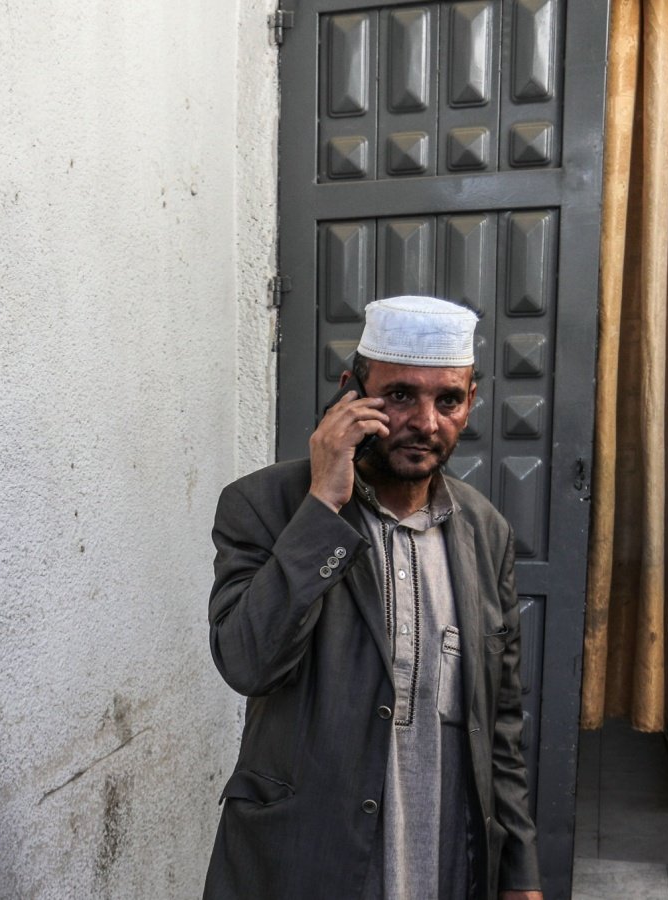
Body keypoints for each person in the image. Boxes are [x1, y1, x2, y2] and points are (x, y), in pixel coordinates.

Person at [202, 295, 543, 899]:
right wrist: (321, 507)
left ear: (470, 403)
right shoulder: (264, 507)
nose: (426, 423)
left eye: (449, 400)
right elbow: (248, 661)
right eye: (400, 395)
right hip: (305, 862)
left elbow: (502, 724)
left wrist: (518, 874)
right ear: (349, 393)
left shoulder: (485, 532)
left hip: (443, 859)